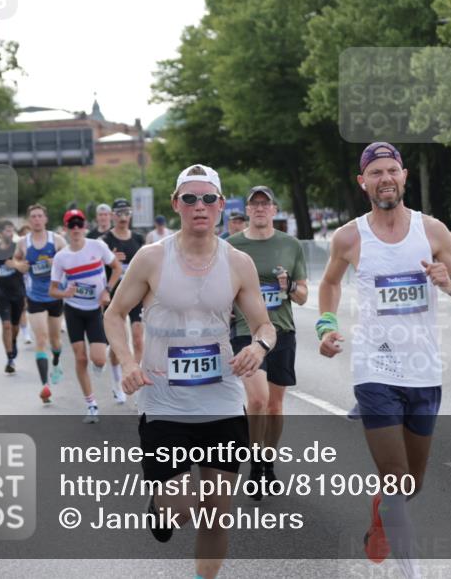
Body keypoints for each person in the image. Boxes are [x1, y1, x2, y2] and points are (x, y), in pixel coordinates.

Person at [317, 142, 451, 577]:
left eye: (392, 170)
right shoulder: (349, 236)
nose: (385, 178)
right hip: (375, 368)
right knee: (394, 476)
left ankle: (382, 513)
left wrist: (449, 285)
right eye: (376, 172)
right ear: (363, 182)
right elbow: (330, 283)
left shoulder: (433, 232)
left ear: (404, 176)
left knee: (412, 482)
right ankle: (412, 572)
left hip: (424, 369)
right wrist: (326, 325)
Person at [105, 163, 273, 579]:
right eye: (191, 198)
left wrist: (258, 346)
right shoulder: (150, 259)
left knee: (217, 515)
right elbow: (114, 314)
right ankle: (163, 507)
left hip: (222, 401)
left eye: (209, 198)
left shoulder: (238, 263)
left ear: (219, 206)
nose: (200, 206)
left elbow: (264, 325)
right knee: (180, 511)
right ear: (176, 204)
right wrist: (127, 362)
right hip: (165, 405)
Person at [228, 185, 308, 497]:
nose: (260, 209)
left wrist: (288, 288)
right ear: (247, 210)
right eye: (254, 204)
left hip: (282, 331)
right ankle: (255, 465)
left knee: (275, 407)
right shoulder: (231, 246)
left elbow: (303, 296)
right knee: (258, 400)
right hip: (247, 334)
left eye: (266, 204)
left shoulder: (290, 246)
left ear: (274, 210)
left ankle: (268, 462)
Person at [50, 209, 121, 423]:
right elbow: (52, 290)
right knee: (80, 357)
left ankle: (100, 364)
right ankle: (91, 404)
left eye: (79, 224)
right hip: (73, 310)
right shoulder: (61, 257)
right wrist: (65, 293)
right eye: (71, 225)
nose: (75, 229)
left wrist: (107, 289)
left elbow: (116, 268)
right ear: (66, 229)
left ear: (85, 226)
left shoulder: (97, 246)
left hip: (94, 310)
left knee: (98, 359)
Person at [13, 204, 67, 393]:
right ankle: (45, 385)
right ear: (30, 220)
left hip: (54, 295)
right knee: (41, 339)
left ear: (45, 219)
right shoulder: (23, 242)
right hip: (34, 296)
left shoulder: (57, 240)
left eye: (39, 216)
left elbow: (70, 259)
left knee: (55, 341)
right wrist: (20, 266)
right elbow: (15, 260)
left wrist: (58, 261)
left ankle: (57, 361)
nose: (36, 219)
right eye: (33, 216)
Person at [101, 197, 146, 403]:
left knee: (138, 339)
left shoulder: (138, 239)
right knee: (119, 342)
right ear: (112, 216)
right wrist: (109, 261)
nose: (123, 217)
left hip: (136, 294)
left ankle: (136, 383)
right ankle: (117, 380)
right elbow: (97, 269)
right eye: (119, 214)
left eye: (126, 213)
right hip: (114, 296)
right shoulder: (105, 241)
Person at [0, 221, 26, 377]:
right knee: (6, 325)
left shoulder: (17, 247)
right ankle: (9, 359)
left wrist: (14, 264)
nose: (10, 233)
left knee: (15, 326)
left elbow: (25, 266)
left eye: (11, 230)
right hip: (1, 292)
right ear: (0, 233)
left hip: (18, 291)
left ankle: (13, 342)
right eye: (7, 231)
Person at [16, 225, 33, 344]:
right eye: (24, 234)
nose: (26, 236)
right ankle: (26, 333)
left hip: (36, 281)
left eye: (28, 233)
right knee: (22, 307)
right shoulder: (18, 247)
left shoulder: (38, 244)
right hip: (21, 281)